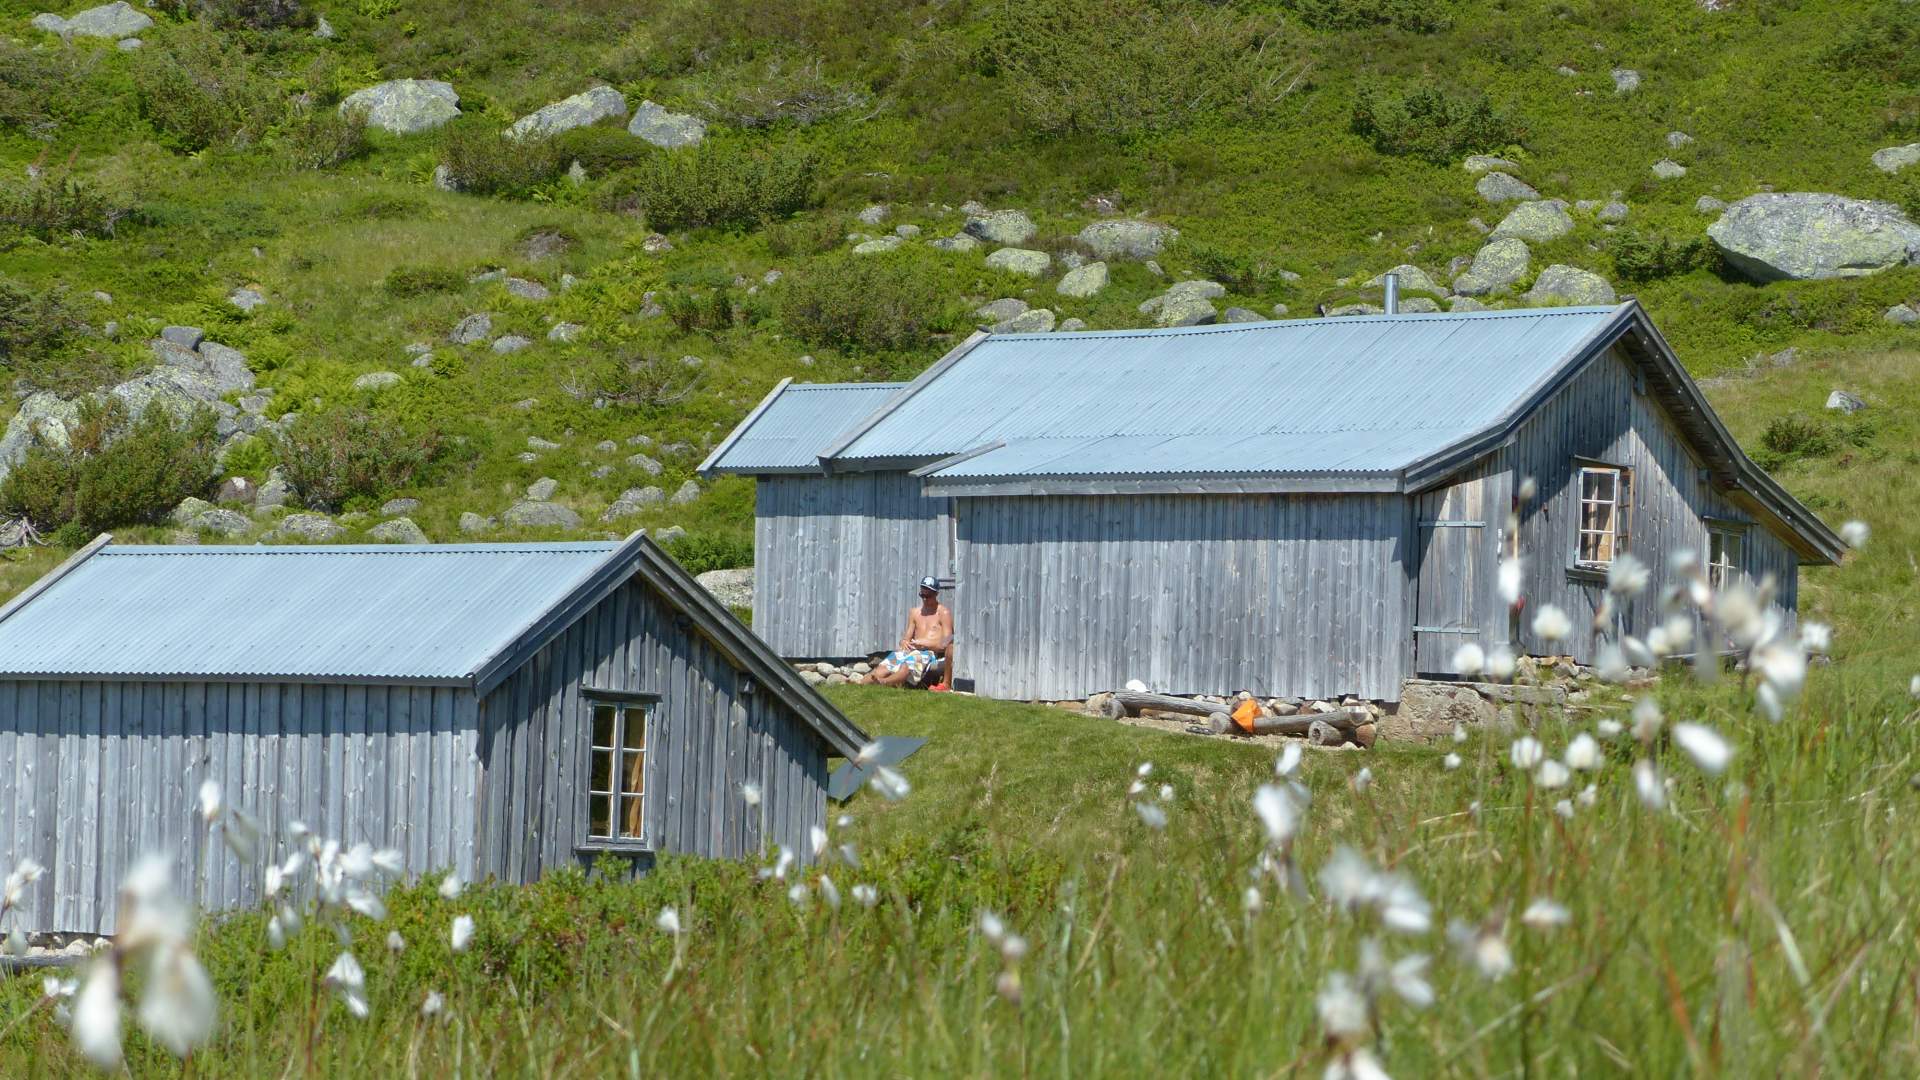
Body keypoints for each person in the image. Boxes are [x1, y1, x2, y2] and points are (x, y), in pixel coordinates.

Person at [862, 576, 953, 690]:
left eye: (928, 596)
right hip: (910, 650)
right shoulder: (915, 612)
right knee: (882, 668)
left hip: (928, 653)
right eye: (922, 595)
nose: (924, 599)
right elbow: (906, 638)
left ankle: (883, 683)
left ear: (936, 594)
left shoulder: (943, 613)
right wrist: (904, 642)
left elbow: (947, 641)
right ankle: (858, 684)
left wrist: (926, 644)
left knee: (906, 666)